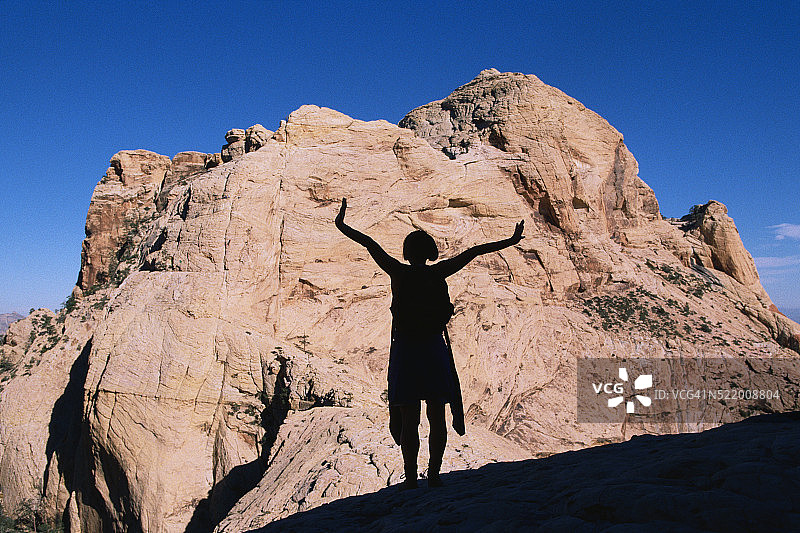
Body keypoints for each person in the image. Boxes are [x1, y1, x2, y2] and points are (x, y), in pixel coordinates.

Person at [335, 198, 524, 489]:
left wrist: (342, 224)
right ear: (430, 252)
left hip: (407, 351)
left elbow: (369, 243)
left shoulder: (398, 272)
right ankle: (433, 475)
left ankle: (411, 477)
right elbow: (474, 252)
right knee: (438, 415)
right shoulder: (438, 272)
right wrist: (510, 240)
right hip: (434, 349)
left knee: (409, 416)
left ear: (408, 252)